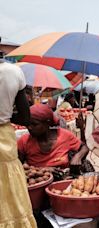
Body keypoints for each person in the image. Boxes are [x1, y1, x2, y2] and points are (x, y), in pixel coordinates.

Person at [0, 60, 37, 227]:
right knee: (8, 189)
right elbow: (25, 118)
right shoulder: (13, 72)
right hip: (3, 136)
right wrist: (5, 116)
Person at [17, 104, 91, 175]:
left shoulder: (65, 136)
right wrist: (43, 170)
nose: (29, 127)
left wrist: (78, 156)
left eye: (34, 124)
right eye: (27, 124)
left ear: (48, 123)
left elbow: (84, 147)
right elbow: (17, 167)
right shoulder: (24, 141)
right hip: (39, 181)